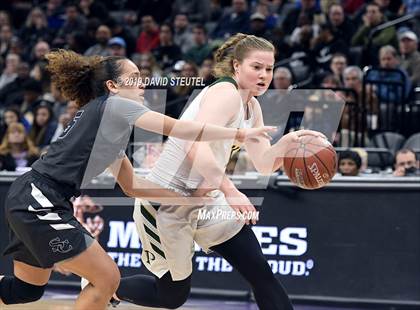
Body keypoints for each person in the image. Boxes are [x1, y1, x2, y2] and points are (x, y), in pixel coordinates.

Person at [0, 49, 275, 309]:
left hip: (33, 197)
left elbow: (133, 187)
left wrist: (189, 198)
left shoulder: (108, 125)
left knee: (25, 290)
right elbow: (178, 128)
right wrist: (237, 134)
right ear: (113, 86)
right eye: (134, 78)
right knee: (106, 279)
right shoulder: (115, 105)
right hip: (40, 199)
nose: (142, 82)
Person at [115, 33, 323, 310]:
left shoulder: (252, 106)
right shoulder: (225, 93)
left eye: (269, 68)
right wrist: (232, 192)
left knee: (260, 272)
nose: (264, 75)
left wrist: (285, 145)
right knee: (172, 296)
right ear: (237, 67)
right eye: (256, 67)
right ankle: (104, 284)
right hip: (166, 202)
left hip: (207, 199)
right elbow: (193, 146)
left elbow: (263, 163)